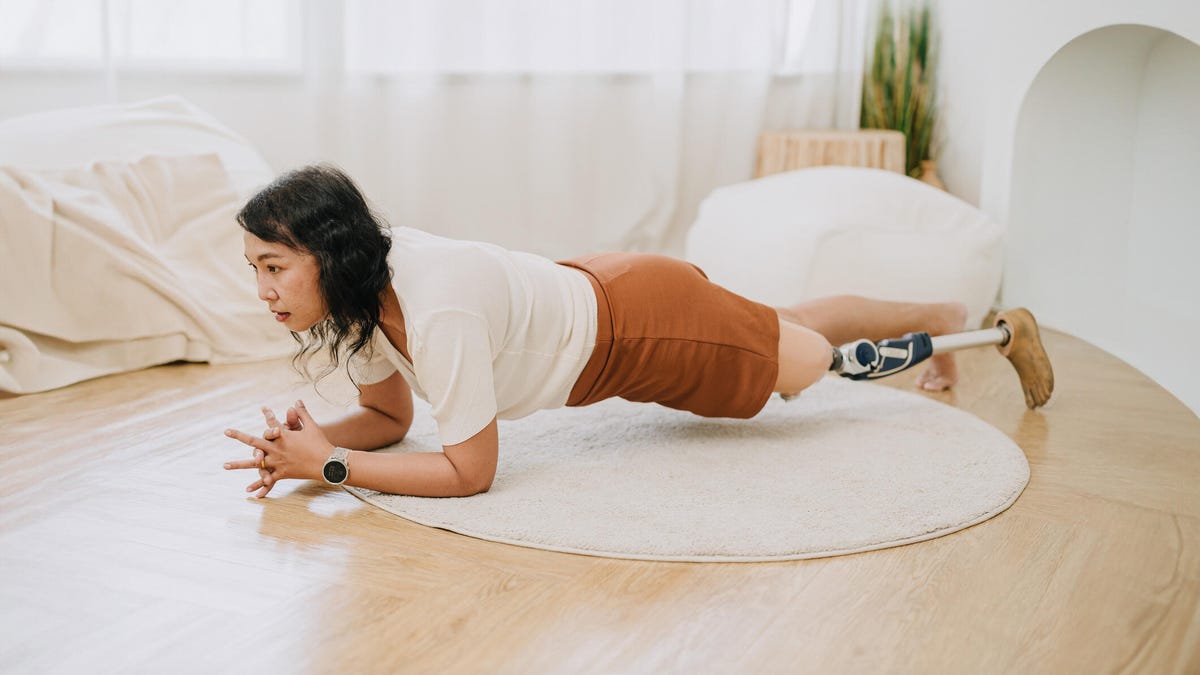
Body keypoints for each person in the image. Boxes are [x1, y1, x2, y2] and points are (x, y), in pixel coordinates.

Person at [223, 165, 967, 498]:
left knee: (806, 358)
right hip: (597, 289)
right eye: (255, 268)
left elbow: (469, 471)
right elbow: (391, 416)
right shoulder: (361, 300)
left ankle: (944, 325)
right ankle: (938, 314)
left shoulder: (432, 302)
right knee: (789, 326)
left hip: (642, 327)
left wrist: (331, 467)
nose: (263, 290)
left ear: (329, 253)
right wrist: (312, 443)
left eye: (274, 266)